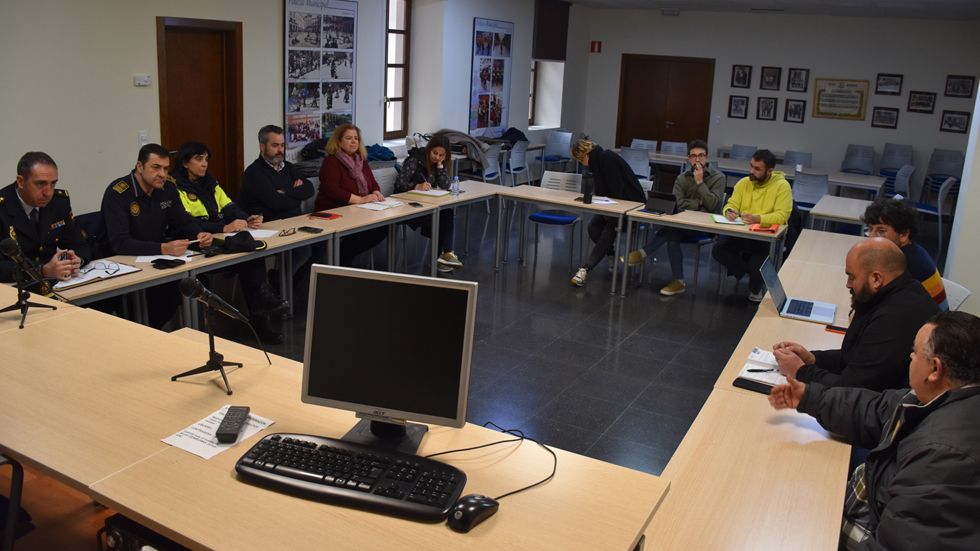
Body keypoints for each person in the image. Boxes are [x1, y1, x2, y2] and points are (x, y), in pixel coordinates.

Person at [769, 311, 980, 551]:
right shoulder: (941, 396)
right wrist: (813, 398)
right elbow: (876, 410)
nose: (910, 358)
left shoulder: (943, 458)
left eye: (915, 353)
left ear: (935, 369)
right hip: (872, 502)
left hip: (866, 529)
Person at [772, 238, 941, 391]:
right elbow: (859, 358)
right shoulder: (902, 290)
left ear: (876, 279)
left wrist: (800, 370)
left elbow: (850, 389)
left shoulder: (893, 319)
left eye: (852, 277)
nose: (848, 284)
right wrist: (813, 359)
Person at [171, 141, 289, 343]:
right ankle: (262, 310)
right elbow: (187, 222)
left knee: (252, 252)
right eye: (198, 159)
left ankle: (262, 314)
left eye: (206, 159)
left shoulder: (210, 182)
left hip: (219, 239)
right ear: (185, 163)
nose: (204, 164)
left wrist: (246, 219)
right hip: (196, 245)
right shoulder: (175, 188)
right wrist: (222, 227)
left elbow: (229, 207)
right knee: (248, 257)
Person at [97, 144, 213, 329]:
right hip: (119, 264)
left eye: (166, 169)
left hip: (153, 261)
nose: (162, 174)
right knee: (162, 297)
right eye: (156, 167)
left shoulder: (168, 188)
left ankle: (154, 331)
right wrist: (164, 248)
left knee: (195, 283)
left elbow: (182, 220)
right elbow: (120, 243)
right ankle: (144, 333)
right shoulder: (118, 193)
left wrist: (198, 233)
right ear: (140, 166)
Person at [623, 139, 725, 296]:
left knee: (673, 230)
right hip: (682, 224)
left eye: (701, 156)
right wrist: (699, 202)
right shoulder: (682, 178)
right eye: (694, 156)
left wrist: (700, 182)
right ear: (688, 158)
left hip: (705, 227)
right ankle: (679, 282)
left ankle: (644, 253)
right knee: (673, 235)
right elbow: (677, 203)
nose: (697, 160)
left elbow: (712, 205)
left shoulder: (718, 178)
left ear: (707, 157)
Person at [237, 125, 322, 295]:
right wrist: (295, 195)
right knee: (303, 250)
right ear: (262, 146)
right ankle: (279, 283)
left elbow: (309, 189)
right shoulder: (254, 172)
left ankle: (291, 280)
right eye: (275, 146)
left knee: (322, 243)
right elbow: (275, 202)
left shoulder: (287, 167)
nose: (280, 150)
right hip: (269, 226)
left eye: (282, 145)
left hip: (293, 223)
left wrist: (286, 192)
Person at [712, 149, 793, 300]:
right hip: (742, 232)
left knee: (759, 263)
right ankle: (752, 273)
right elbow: (731, 203)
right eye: (751, 166)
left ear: (769, 171)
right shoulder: (744, 183)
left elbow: (782, 216)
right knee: (718, 250)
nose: (751, 172)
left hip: (764, 235)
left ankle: (756, 285)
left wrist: (757, 219)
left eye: (757, 169)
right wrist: (728, 211)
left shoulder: (782, 186)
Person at [1, 152, 89, 286]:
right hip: (15, 286)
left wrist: (77, 260)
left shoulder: (58, 203)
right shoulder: (3, 208)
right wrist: (41, 270)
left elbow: (80, 244)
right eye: (40, 184)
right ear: (21, 181)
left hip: (56, 284)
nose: (48, 193)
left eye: (53, 184)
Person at [569, 140, 645, 287]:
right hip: (614, 205)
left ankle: (585, 269)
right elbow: (604, 191)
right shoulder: (598, 163)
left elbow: (617, 188)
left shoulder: (606, 158)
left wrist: (611, 213)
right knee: (593, 228)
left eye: (581, 161)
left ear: (585, 156)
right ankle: (611, 255)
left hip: (631, 207)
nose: (583, 164)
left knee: (609, 229)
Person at [315, 123, 387, 267]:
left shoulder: (361, 160)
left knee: (382, 229)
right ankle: (342, 264)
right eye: (349, 138)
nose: (354, 142)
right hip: (333, 211)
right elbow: (333, 190)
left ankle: (344, 259)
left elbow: (373, 183)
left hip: (358, 211)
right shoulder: (331, 161)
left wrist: (376, 192)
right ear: (338, 142)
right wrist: (361, 199)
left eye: (356, 138)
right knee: (356, 235)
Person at [861, 197, 948, 310]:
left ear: (903, 235)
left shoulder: (903, 263)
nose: (872, 237)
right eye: (870, 229)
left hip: (928, 319)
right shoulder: (912, 250)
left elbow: (877, 302)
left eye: (881, 231)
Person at [393, 135, 462, 273]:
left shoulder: (438, 163)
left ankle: (444, 257)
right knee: (443, 219)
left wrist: (440, 165)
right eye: (435, 153)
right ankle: (443, 257)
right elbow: (399, 184)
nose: (437, 157)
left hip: (427, 204)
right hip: (408, 206)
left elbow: (445, 185)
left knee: (445, 213)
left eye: (441, 155)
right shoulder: (415, 161)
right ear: (429, 149)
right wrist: (417, 186)